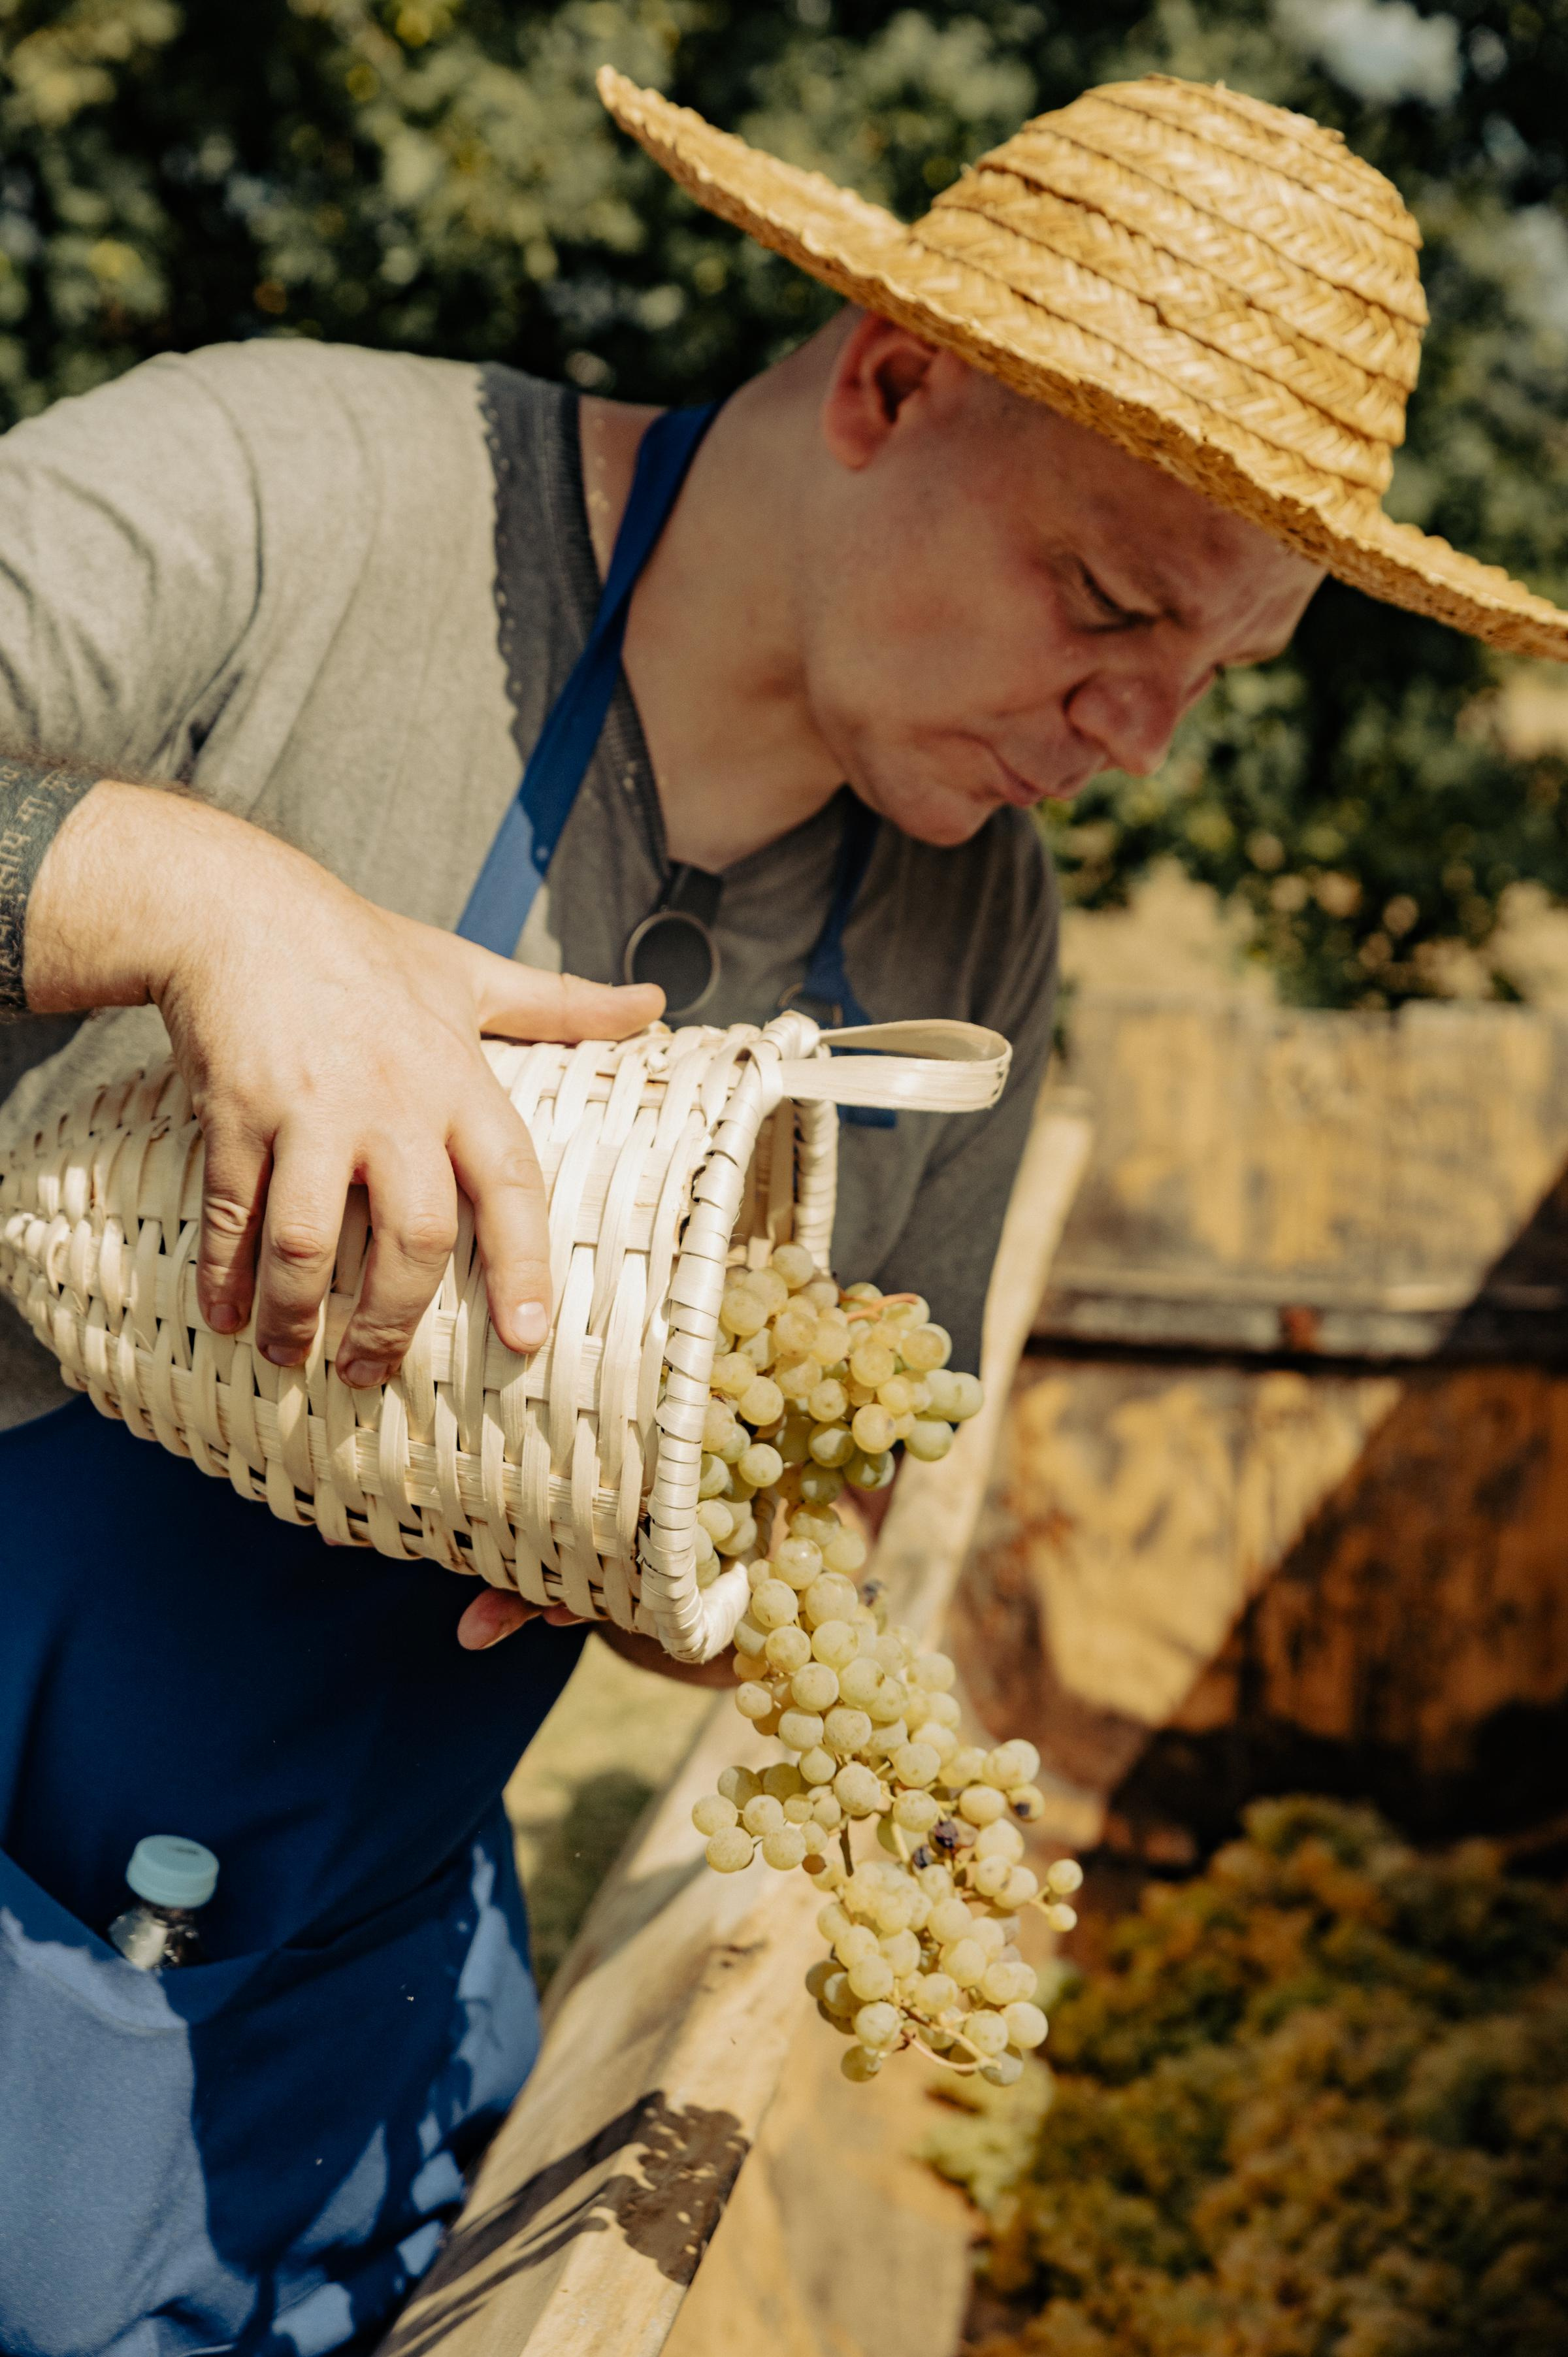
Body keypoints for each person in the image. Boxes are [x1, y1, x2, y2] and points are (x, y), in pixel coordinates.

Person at [1, 61, 1563, 2357]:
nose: (1139, 736)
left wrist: (705, 1585)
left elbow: (808, 1531)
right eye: (1108, 602)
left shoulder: (967, 945)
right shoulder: (284, 497)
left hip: (329, 1994)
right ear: (895, 380)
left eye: (1210, 675)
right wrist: (205, 900)